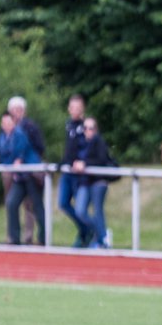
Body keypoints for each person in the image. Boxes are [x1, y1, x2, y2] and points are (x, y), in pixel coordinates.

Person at [0, 111, 46, 246]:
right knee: (11, 203)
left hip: (30, 174)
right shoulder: (2, 137)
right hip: (19, 177)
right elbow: (3, 156)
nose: (6, 125)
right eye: (4, 122)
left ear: (14, 122)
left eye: (9, 122)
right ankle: (14, 238)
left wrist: (17, 160)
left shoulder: (20, 134)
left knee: (36, 205)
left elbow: (20, 153)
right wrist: (11, 164)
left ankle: (44, 237)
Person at [73, 117, 114, 249]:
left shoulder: (99, 142)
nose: (88, 131)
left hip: (98, 181)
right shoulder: (80, 143)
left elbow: (101, 160)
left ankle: (103, 240)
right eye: (85, 128)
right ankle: (100, 233)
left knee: (97, 211)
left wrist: (85, 164)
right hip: (85, 182)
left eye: (91, 128)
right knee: (80, 211)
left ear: (96, 130)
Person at [58, 94, 90, 246]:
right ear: (69, 109)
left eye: (78, 107)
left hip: (78, 173)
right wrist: (63, 162)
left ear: (82, 108)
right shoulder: (69, 124)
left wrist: (82, 161)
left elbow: (88, 147)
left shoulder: (86, 126)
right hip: (68, 171)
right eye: (73, 107)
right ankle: (84, 230)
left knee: (80, 208)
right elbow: (69, 148)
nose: (75, 110)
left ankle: (89, 232)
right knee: (63, 203)